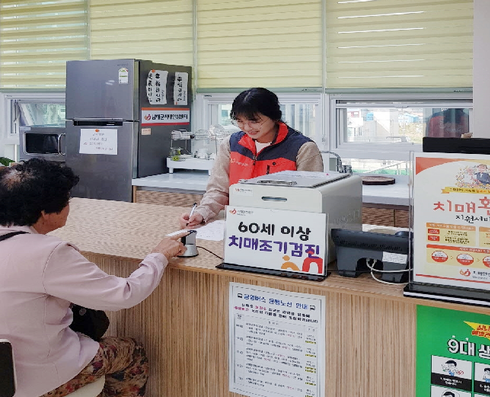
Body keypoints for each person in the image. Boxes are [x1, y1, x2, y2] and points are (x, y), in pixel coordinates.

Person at [0, 158, 187, 397]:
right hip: (29, 380)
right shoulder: (48, 253)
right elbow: (123, 295)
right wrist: (158, 256)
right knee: (132, 352)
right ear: (45, 212)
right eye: (67, 201)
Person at [180, 87, 324, 228]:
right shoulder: (231, 144)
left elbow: (309, 200)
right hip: (240, 223)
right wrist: (202, 213)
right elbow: (218, 190)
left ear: (274, 117)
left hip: (284, 226)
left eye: (254, 121)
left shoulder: (302, 148)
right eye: (240, 121)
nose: (247, 128)